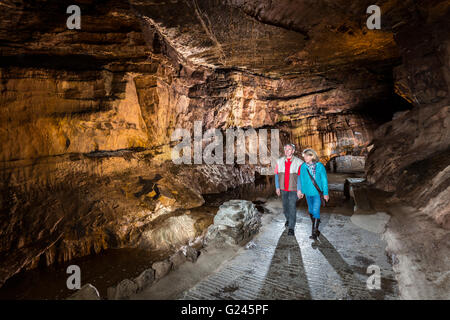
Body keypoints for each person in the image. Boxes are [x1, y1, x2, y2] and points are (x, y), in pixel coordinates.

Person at [298, 148, 329, 240]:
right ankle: (316, 225)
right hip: (308, 193)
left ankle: (314, 232)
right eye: (304, 156)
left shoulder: (320, 166)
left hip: (317, 193)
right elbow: (301, 179)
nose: (305, 158)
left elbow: (324, 180)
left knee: (315, 210)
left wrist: (326, 193)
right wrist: (301, 191)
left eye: (307, 156)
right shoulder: (303, 166)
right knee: (311, 211)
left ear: (312, 156)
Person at [274, 143, 304, 236]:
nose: (287, 151)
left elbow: (300, 177)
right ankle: (288, 219)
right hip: (283, 188)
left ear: (293, 151)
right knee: (285, 207)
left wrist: (300, 190)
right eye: (286, 149)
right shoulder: (279, 161)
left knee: (292, 207)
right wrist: (277, 187)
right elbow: (276, 175)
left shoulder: (299, 162)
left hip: (293, 189)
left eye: (289, 149)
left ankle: (291, 227)